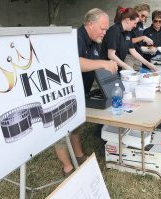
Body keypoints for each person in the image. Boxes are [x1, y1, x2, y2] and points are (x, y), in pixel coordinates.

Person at [54, 8, 118, 177]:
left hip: (80, 92)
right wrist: (103, 63)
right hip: (62, 95)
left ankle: (79, 155)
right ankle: (67, 167)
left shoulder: (93, 41)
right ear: (90, 24)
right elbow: (76, 63)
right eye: (102, 29)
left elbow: (93, 64)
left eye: (106, 29)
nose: (104, 33)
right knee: (62, 131)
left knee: (77, 126)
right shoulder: (75, 37)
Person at [100, 7, 156, 72]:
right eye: (135, 23)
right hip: (106, 69)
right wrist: (128, 67)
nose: (135, 26)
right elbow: (111, 55)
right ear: (128, 20)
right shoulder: (114, 30)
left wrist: (148, 64)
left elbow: (133, 51)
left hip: (116, 68)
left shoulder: (128, 32)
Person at [124, 3, 153, 71]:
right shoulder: (130, 22)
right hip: (129, 55)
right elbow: (127, 40)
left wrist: (146, 42)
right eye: (142, 15)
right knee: (128, 77)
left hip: (139, 55)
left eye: (146, 17)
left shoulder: (140, 24)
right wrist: (143, 38)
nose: (143, 19)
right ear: (137, 11)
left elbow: (138, 39)